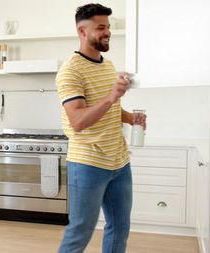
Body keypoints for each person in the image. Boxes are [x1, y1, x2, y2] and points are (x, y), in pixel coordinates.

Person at [56, 3, 146, 253]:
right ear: (82, 32)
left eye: (108, 27)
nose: (107, 32)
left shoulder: (107, 65)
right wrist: (111, 96)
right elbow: (78, 121)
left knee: (120, 226)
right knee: (81, 231)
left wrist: (130, 118)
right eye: (101, 27)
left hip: (119, 161)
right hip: (88, 164)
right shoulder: (70, 71)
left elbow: (111, 110)